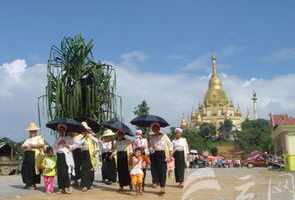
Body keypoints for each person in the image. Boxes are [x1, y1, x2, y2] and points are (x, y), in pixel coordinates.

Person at [149, 123, 173, 194]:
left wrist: (170, 156)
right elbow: (150, 146)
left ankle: (162, 187)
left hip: (162, 154)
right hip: (154, 154)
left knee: (162, 171)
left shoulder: (164, 136)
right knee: (154, 170)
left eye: (156, 128)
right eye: (153, 128)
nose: (155, 129)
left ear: (159, 129)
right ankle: (156, 182)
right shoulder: (151, 137)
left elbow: (170, 146)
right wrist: (149, 144)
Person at [21, 122, 45, 190]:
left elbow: (42, 145)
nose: (32, 132)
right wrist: (25, 146)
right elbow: (22, 146)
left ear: (36, 131)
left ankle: (33, 184)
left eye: (33, 131)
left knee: (34, 170)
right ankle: (28, 183)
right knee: (25, 169)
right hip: (27, 155)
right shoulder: (28, 139)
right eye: (31, 131)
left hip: (35, 155)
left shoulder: (39, 137)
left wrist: (32, 146)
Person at [53, 124, 76, 194]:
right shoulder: (57, 139)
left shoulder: (68, 138)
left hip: (66, 156)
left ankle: (68, 187)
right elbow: (54, 149)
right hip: (59, 156)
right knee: (60, 172)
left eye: (62, 130)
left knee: (65, 172)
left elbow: (74, 146)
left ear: (65, 131)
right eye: (60, 130)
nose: (61, 131)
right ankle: (61, 188)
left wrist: (66, 145)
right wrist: (58, 144)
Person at [79, 122, 99, 192]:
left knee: (90, 170)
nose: (84, 131)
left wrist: (96, 150)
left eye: (85, 130)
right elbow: (77, 144)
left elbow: (97, 141)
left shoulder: (91, 136)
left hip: (90, 154)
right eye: (83, 130)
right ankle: (84, 185)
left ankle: (89, 184)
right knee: (84, 170)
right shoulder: (80, 137)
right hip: (83, 154)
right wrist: (83, 138)